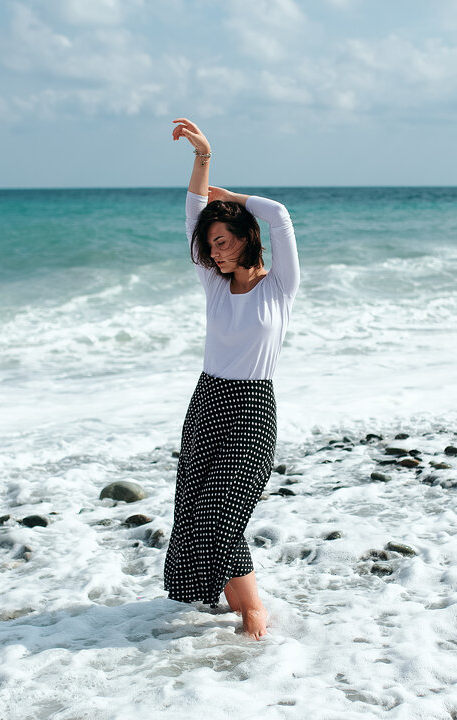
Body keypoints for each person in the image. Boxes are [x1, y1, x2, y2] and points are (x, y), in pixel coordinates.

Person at [163, 118, 300, 640]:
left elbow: (280, 214)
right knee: (198, 512)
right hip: (208, 404)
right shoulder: (214, 286)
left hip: (251, 410)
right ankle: (237, 604)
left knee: (224, 514)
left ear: (245, 238)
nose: (214, 251)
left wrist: (233, 196)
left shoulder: (280, 286)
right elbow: (192, 212)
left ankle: (253, 611)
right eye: (209, 245)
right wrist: (202, 160)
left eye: (223, 241)